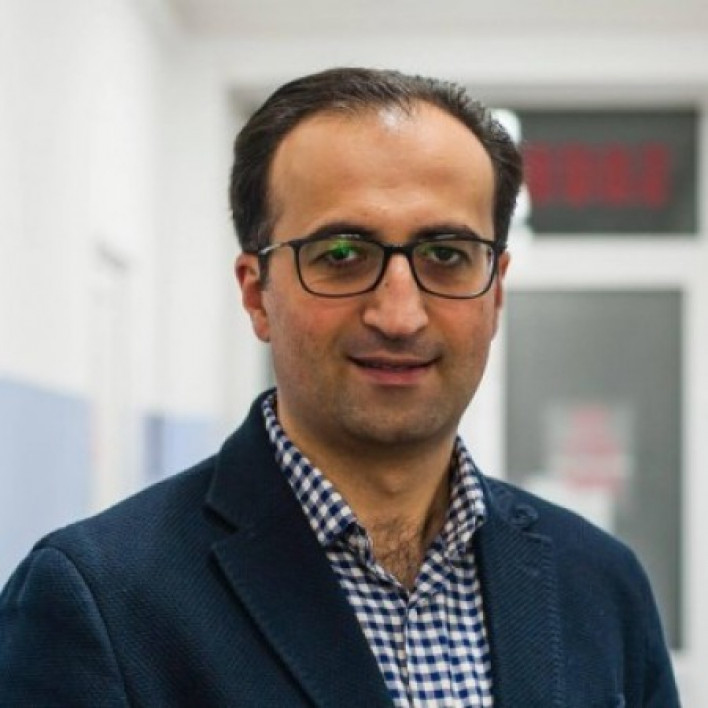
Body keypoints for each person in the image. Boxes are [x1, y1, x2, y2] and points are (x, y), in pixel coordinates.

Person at [0, 68, 679, 708]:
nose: (400, 315)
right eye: (343, 255)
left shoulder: (600, 584)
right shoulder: (100, 600)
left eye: (446, 255)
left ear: (496, 293)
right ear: (257, 294)